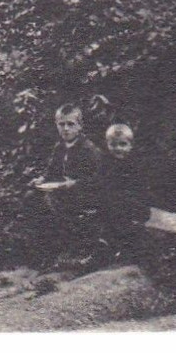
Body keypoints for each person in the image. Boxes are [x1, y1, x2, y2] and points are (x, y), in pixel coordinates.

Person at [30, 103, 105, 260]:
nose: (65, 129)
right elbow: (51, 171)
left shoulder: (88, 149)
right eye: (61, 124)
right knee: (30, 197)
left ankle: (74, 248)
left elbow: (98, 179)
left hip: (86, 193)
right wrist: (42, 179)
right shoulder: (59, 147)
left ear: (80, 126)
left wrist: (75, 183)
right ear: (56, 125)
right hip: (65, 191)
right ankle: (43, 248)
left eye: (70, 124)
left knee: (54, 200)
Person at [100, 123, 151, 260]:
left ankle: (129, 249)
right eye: (113, 144)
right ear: (107, 144)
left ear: (131, 145)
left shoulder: (134, 165)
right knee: (108, 210)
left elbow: (141, 189)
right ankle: (110, 247)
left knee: (123, 216)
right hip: (115, 203)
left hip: (134, 205)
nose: (118, 148)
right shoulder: (106, 163)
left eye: (122, 144)